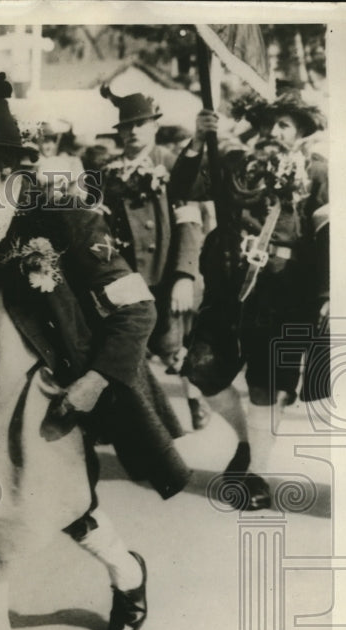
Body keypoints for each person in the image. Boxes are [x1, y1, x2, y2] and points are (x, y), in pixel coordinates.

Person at [0, 73, 189, 630]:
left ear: (14, 164)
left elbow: (136, 308)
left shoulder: (64, 215)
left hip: (48, 387)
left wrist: (98, 378)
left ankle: (123, 575)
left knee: (54, 502)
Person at [175, 90, 329, 510]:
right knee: (202, 373)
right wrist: (196, 142)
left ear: (301, 133)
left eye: (284, 125)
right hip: (229, 291)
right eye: (269, 123)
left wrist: (326, 294)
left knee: (267, 386)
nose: (273, 132)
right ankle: (245, 443)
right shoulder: (236, 165)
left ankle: (257, 473)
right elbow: (186, 187)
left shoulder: (317, 171)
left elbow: (328, 234)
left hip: (284, 296)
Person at [97, 86, 209, 431]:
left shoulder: (172, 164)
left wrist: (184, 276)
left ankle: (196, 397)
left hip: (163, 272)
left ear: (154, 126)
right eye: (126, 126)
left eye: (140, 124)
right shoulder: (108, 172)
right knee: (127, 351)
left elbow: (190, 223)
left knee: (171, 348)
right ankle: (141, 428)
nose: (132, 132)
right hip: (126, 278)